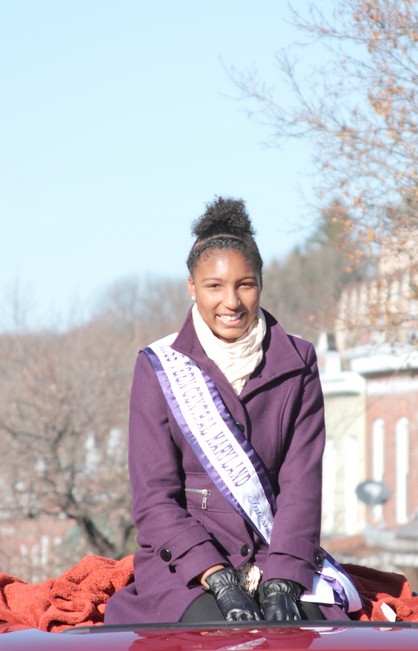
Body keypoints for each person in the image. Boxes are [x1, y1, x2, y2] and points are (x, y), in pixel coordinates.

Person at [104, 197, 357, 624]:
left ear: (261, 283)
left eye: (245, 284)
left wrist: (282, 578)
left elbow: (301, 484)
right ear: (192, 287)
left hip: (275, 553)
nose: (231, 302)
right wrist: (217, 576)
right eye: (214, 286)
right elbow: (153, 499)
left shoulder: (298, 361)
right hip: (187, 566)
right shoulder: (159, 366)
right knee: (216, 635)